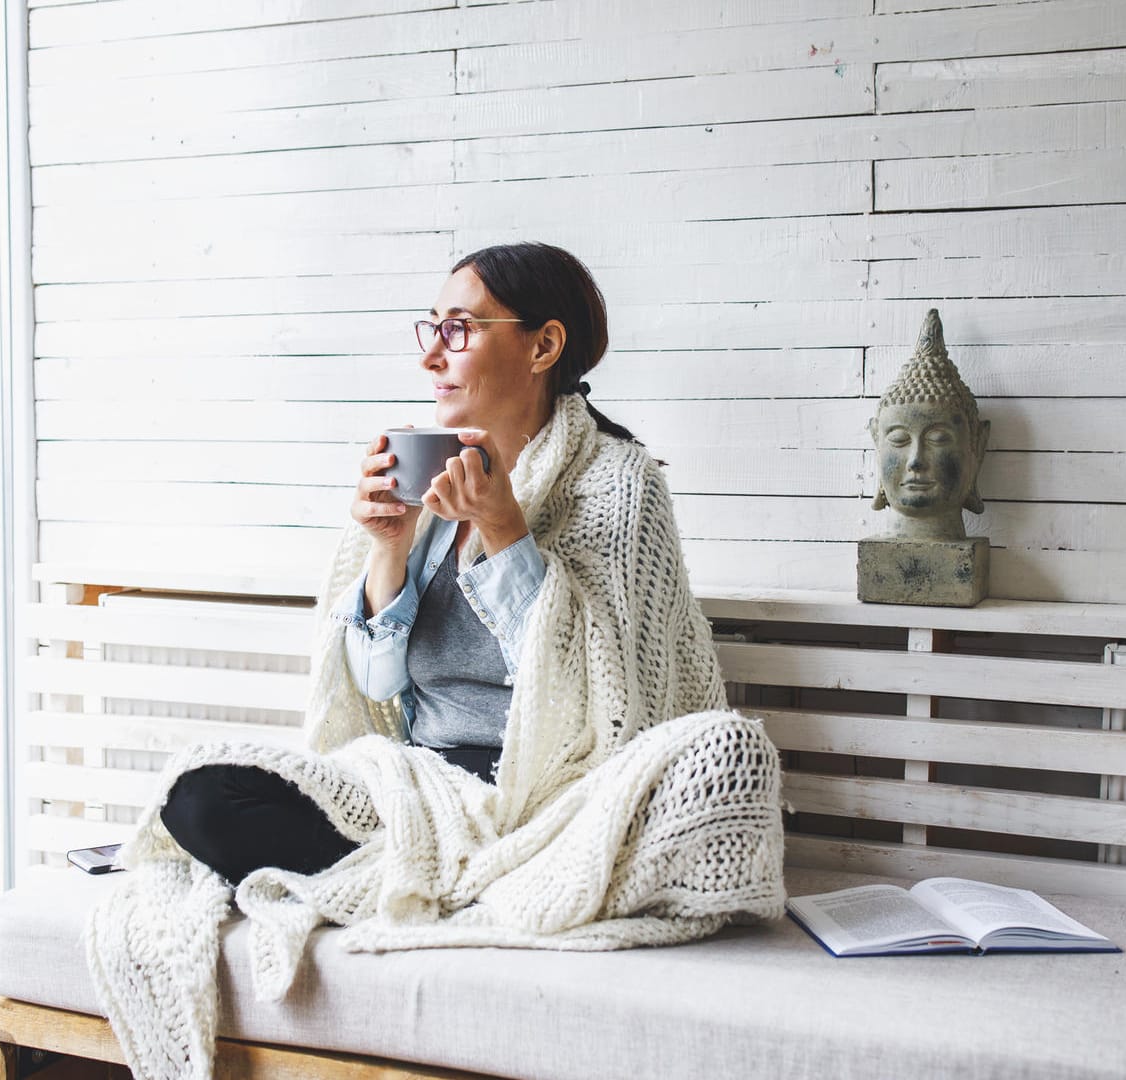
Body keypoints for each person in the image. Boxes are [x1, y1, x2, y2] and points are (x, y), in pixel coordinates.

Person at [158, 241, 717, 887]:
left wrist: (505, 528)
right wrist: (389, 548)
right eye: (433, 327)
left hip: (554, 795)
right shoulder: (427, 483)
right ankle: (451, 876)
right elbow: (373, 690)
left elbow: (607, 700)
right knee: (201, 797)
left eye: (460, 329)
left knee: (721, 761)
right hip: (418, 782)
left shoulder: (616, 482)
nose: (431, 355)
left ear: (543, 346)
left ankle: (442, 875)